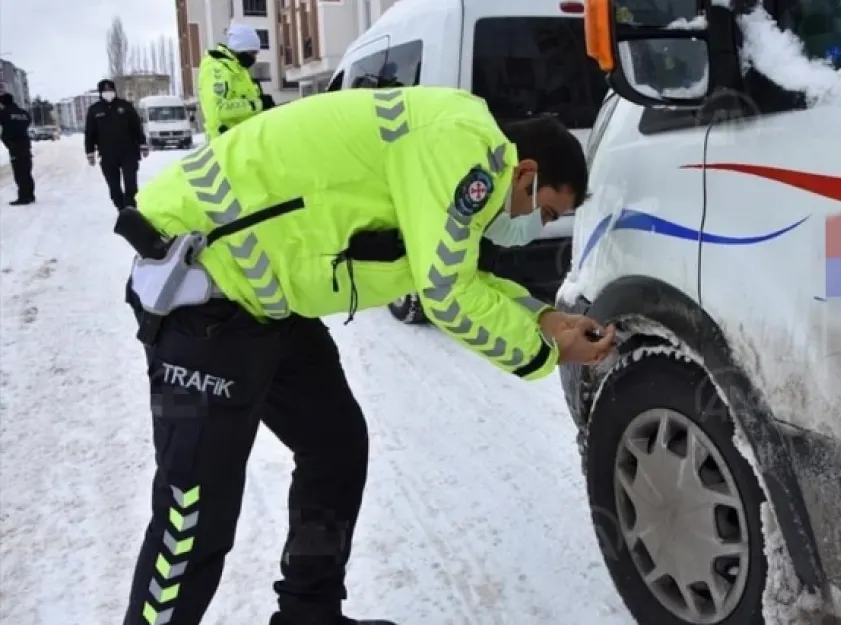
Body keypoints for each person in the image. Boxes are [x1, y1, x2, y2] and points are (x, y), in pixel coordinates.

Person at [118, 85, 615, 625]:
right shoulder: (466, 151)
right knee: (195, 507)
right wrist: (545, 351)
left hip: (267, 300)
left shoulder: (460, 146)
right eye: (543, 211)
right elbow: (445, 293)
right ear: (526, 173)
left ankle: (310, 613)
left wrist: (541, 317)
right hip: (203, 285)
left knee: (334, 444)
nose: (536, 228)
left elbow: (462, 272)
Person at [85, 79, 148, 210]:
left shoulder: (125, 106)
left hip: (128, 152)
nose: (108, 93)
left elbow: (136, 127)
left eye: (110, 90)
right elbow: (89, 133)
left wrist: (143, 144)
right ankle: (121, 208)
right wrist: (90, 152)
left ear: (114, 91)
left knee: (131, 184)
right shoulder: (94, 110)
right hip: (107, 154)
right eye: (105, 91)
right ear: (101, 92)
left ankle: (131, 208)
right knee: (114, 187)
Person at [197, 24, 269, 139]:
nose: (254, 58)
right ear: (240, 49)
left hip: (241, 138)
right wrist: (258, 104)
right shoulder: (217, 69)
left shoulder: (239, 70)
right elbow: (219, 109)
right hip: (225, 142)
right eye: (252, 53)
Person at [0, 91, 35, 205]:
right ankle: (30, 195)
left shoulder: (4, 113)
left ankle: (23, 197)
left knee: (19, 172)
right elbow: (28, 121)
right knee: (27, 171)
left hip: (14, 145)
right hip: (25, 144)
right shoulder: (23, 113)